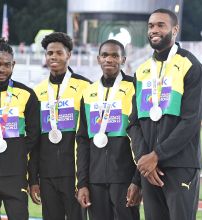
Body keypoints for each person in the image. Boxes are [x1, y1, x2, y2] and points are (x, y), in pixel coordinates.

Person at [127, 8, 202, 220]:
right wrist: (145, 160)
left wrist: (156, 155)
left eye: (161, 25)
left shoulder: (191, 66)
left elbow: (191, 120)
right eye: (151, 26)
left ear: (175, 29)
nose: (154, 30)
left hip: (180, 165)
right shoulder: (141, 71)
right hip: (149, 169)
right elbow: (133, 124)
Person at [28, 32, 90, 220]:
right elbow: (34, 140)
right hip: (47, 175)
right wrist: (33, 179)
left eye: (59, 53)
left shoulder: (86, 87)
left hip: (74, 174)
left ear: (69, 54)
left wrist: (85, 179)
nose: (53, 57)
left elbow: (88, 137)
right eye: (49, 53)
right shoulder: (37, 92)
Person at [76, 39, 141, 220]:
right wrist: (82, 183)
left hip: (125, 178)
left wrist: (137, 180)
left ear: (123, 60)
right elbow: (82, 140)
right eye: (105, 55)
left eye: (115, 55)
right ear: (98, 59)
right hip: (95, 180)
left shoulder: (133, 87)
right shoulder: (88, 92)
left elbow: (143, 135)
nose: (109, 60)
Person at [0, 38, 40, 219]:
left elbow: (34, 136)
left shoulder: (27, 94)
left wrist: (18, 152)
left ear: (13, 65)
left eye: (6, 65)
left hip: (15, 176)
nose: (1, 69)